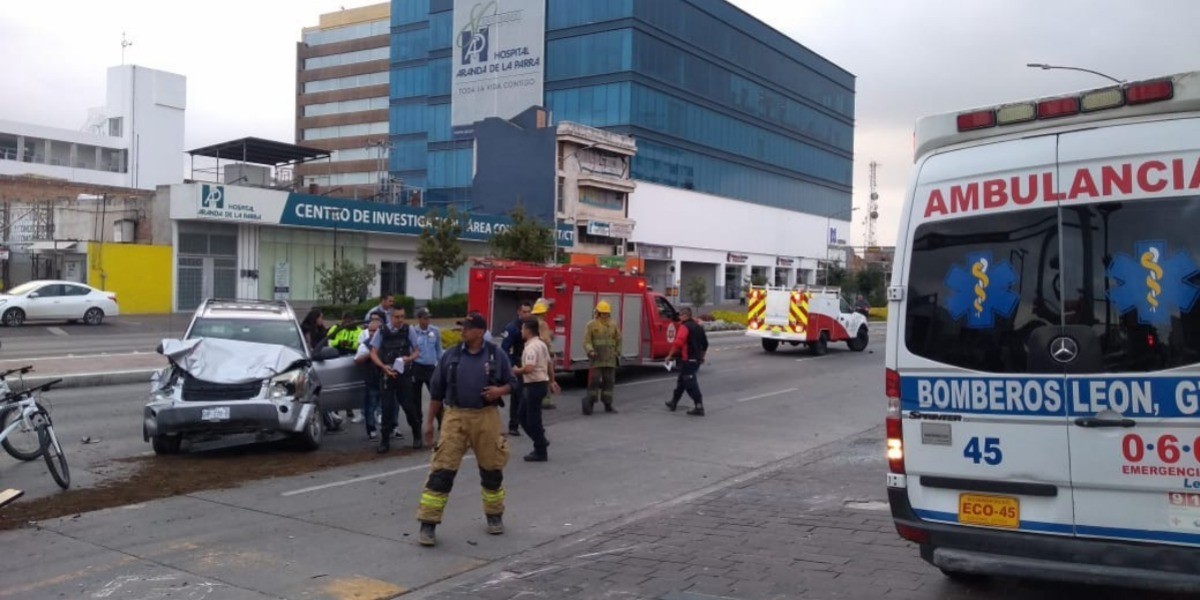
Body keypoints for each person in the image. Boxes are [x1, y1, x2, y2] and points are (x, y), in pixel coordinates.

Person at [416, 313, 514, 547]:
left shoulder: (495, 354)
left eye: (467, 328)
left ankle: (494, 516)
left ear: (480, 332)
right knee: (442, 470)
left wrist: (499, 392)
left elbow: (512, 383)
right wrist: (429, 423)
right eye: (463, 327)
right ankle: (427, 525)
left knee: (492, 469)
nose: (463, 331)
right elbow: (436, 392)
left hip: (486, 417)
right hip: (455, 417)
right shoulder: (451, 355)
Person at [370, 308, 421, 451]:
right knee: (386, 408)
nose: (400, 320)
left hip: (403, 373)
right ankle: (384, 441)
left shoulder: (408, 330)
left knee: (408, 406)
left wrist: (409, 358)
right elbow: (373, 352)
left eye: (402, 317)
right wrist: (382, 366)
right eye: (397, 317)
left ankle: (417, 434)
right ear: (391, 317)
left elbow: (417, 351)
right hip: (387, 373)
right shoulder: (382, 331)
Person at [513, 318, 558, 462]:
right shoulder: (541, 344)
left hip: (534, 385)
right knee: (522, 415)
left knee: (532, 420)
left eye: (522, 329)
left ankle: (540, 449)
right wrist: (551, 380)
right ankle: (541, 441)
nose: (521, 331)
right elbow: (549, 364)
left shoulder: (532, 347)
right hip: (538, 384)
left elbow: (529, 368)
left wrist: (515, 371)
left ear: (528, 330)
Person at [665, 307, 709, 416]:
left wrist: (669, 355)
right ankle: (674, 402)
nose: (679, 318)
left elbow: (678, 343)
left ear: (685, 316)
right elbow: (705, 344)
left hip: (688, 359)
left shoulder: (685, 327)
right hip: (695, 360)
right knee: (682, 381)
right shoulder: (699, 327)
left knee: (690, 383)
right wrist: (702, 357)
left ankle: (699, 406)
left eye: (680, 315)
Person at [582, 301, 622, 415]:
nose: (604, 315)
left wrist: (617, 352)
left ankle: (608, 404)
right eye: (602, 313)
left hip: (610, 359)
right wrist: (590, 351)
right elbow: (586, 341)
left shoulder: (613, 325)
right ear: (598, 313)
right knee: (594, 382)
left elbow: (619, 339)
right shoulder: (591, 325)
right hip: (597, 358)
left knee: (609, 382)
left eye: (606, 313)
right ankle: (591, 403)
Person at [501, 302, 533, 436]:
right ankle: (513, 425)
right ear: (519, 312)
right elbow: (504, 349)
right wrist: (511, 365)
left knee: (529, 395)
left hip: (530, 363)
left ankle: (527, 422)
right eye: (524, 312)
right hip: (517, 363)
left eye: (528, 312)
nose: (526, 314)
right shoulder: (512, 327)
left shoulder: (532, 326)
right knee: (517, 395)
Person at [410, 307, 443, 423]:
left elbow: (439, 349)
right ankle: (418, 423)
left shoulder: (435, 331)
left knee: (436, 395)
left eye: (429, 318)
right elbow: (411, 350)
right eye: (425, 318)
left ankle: (441, 421)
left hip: (431, 368)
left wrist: (440, 364)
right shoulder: (413, 332)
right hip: (417, 367)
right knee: (415, 399)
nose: (427, 320)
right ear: (419, 319)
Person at [355, 313, 384, 439]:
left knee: (390, 406)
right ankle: (371, 429)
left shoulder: (386, 343)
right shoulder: (365, 344)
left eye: (375, 331)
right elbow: (357, 360)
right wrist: (369, 355)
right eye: (370, 331)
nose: (372, 333)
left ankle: (392, 427)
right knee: (370, 406)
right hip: (371, 379)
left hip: (386, 380)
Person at [531, 299, 556, 409]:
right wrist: (551, 352)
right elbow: (545, 340)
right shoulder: (543, 324)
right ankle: (545, 402)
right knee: (546, 377)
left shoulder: (530, 324)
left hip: (533, 355)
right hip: (543, 355)